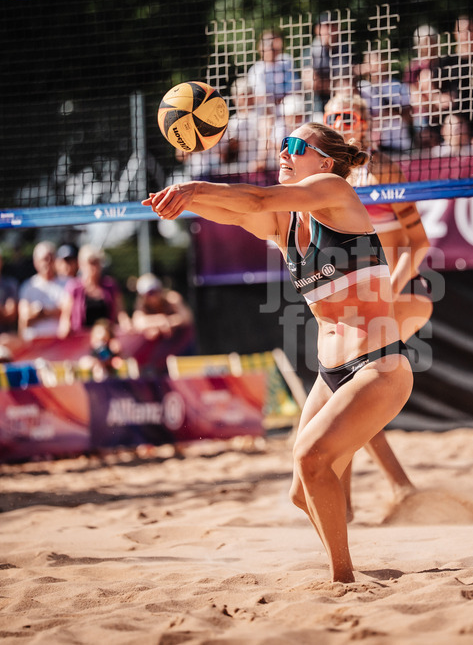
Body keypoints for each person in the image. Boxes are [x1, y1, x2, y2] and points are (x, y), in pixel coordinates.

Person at [144, 122, 413, 583]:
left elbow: (258, 199)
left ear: (324, 162)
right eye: (281, 145)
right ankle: (348, 567)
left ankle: (343, 580)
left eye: (294, 145)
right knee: (299, 490)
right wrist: (186, 200)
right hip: (332, 373)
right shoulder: (285, 225)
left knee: (311, 459)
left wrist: (193, 186)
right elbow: (238, 212)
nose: (282, 152)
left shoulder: (333, 191)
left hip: (379, 363)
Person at [325, 93, 433, 513]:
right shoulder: (325, 180)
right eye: (332, 117)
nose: (340, 122)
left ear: (365, 125)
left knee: (351, 395)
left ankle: (395, 489)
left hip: (404, 294)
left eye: (347, 116)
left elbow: (418, 244)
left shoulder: (383, 170)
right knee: (346, 395)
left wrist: (387, 289)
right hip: (358, 305)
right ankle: (352, 501)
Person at [59, 245, 130, 338]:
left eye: (96, 262)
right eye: (90, 262)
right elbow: (65, 316)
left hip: (105, 338)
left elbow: (121, 313)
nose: (93, 266)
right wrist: (65, 327)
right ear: (80, 265)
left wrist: (127, 325)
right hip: (81, 339)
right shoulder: (73, 287)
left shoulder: (111, 286)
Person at [18, 241, 69, 342]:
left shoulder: (67, 283)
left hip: (58, 342)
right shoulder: (28, 286)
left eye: (51, 259)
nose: (48, 263)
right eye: (44, 259)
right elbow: (25, 317)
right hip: (33, 341)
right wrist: (53, 311)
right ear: (36, 262)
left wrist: (39, 312)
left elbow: (67, 312)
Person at [131, 273, 194, 341]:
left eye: (153, 291)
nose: (151, 297)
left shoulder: (172, 299)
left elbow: (187, 318)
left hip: (181, 342)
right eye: (148, 294)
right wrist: (159, 321)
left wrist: (168, 322)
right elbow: (137, 323)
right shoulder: (142, 305)